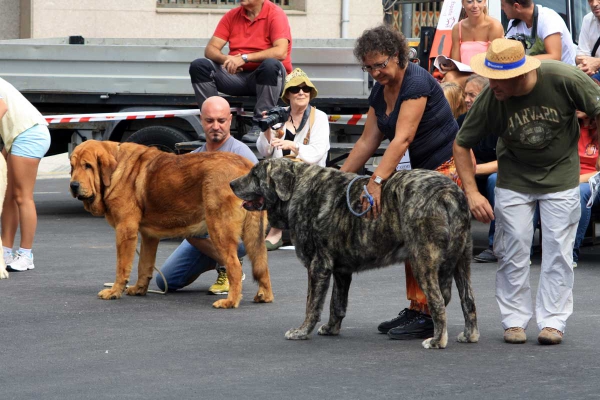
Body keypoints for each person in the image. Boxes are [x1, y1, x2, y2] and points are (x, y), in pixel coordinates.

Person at [453, 38, 600, 345]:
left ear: (519, 74)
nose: (492, 84)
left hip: (560, 174)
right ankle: (514, 320)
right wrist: (472, 193)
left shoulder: (563, 78)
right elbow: (461, 143)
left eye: (499, 78)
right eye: (490, 76)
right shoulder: (491, 98)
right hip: (515, 176)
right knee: (513, 248)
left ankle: (553, 321)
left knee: (558, 250)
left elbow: (597, 105)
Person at [340, 25, 462, 341]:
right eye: (369, 67)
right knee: (407, 235)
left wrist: (376, 181)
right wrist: (338, 181)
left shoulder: (417, 82)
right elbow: (367, 141)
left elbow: (403, 137)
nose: (375, 72)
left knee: (421, 235)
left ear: (397, 56)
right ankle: (416, 307)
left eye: (380, 64)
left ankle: (428, 311)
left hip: (443, 170)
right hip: (413, 175)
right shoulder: (380, 91)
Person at [155, 96, 259, 295]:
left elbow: (257, 199)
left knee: (208, 227)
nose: (216, 126)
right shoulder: (194, 157)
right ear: (201, 120)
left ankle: (231, 267)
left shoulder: (242, 154)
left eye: (221, 121)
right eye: (210, 121)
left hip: (238, 232)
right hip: (202, 231)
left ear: (230, 120)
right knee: (166, 281)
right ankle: (221, 260)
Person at [188, 0, 292, 138]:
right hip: (237, 77)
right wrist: (228, 61)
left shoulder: (276, 14)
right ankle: (214, 126)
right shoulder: (232, 15)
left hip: (268, 78)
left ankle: (261, 126)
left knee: (270, 65)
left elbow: (281, 52)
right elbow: (210, 49)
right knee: (199, 66)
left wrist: (244, 58)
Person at [256, 68, 330, 250]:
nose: (301, 92)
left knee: (284, 177)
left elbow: (318, 152)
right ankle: (275, 232)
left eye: (306, 89)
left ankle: (291, 231)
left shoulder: (318, 117)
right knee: (271, 175)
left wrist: (293, 146)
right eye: (296, 89)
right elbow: (265, 151)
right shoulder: (278, 114)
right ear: (287, 94)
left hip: (310, 172)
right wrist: (266, 130)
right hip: (280, 173)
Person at [0, 77, 51, 272]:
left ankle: (26, 255)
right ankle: (5, 252)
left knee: (22, 196)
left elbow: (1, 108)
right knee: (8, 196)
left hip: (29, 134)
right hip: (17, 136)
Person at [440, 0, 504, 87]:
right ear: (463, 4)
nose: (475, 5)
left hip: (486, 73)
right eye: (469, 2)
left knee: (455, 82)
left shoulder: (494, 26)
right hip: (464, 74)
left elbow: (491, 61)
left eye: (479, 1)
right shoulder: (457, 28)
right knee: (449, 77)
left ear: (484, 2)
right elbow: (457, 63)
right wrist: (450, 66)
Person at [502, 0, 575, 65]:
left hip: (563, 75)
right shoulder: (513, 23)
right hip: (537, 74)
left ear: (516, 6)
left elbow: (555, 57)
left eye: (503, 5)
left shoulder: (548, 18)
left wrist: (521, 60)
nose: (501, 8)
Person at [572, 109, 600, 268]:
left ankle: (570, 252)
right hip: (569, 177)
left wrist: (573, 181)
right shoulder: (569, 127)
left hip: (595, 182)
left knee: (581, 191)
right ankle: (522, 252)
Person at [575, 0, 600, 80]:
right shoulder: (588, 19)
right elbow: (580, 56)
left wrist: (597, 62)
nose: (594, 4)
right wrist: (587, 63)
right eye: (590, 0)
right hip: (593, 72)